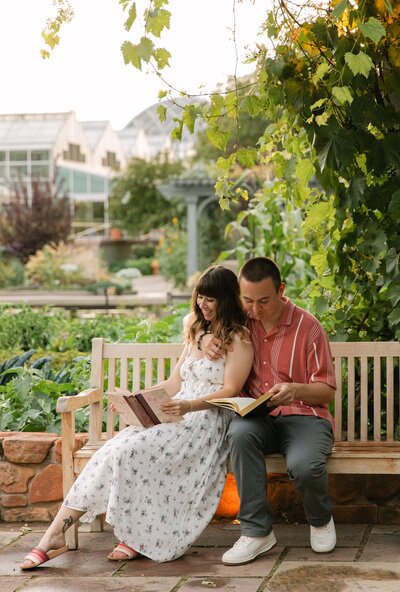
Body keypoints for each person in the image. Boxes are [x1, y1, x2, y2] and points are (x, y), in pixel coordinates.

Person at [20, 265, 253, 569]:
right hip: (175, 411)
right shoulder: (198, 331)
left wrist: (188, 407)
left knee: (131, 451)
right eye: (200, 298)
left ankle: (135, 536)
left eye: (211, 300)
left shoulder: (239, 339)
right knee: (110, 451)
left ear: (226, 300)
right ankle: (54, 534)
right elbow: (174, 384)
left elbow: (231, 389)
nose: (203, 306)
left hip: (204, 420)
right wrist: (137, 399)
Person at [203, 257, 337, 565]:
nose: (255, 309)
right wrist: (208, 337)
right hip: (258, 418)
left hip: (305, 417)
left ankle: (319, 519)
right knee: (238, 434)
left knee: (304, 466)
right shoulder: (239, 322)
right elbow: (199, 313)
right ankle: (256, 532)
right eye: (247, 300)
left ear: (281, 291)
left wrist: (295, 389)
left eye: (263, 301)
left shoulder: (308, 327)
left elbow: (327, 389)